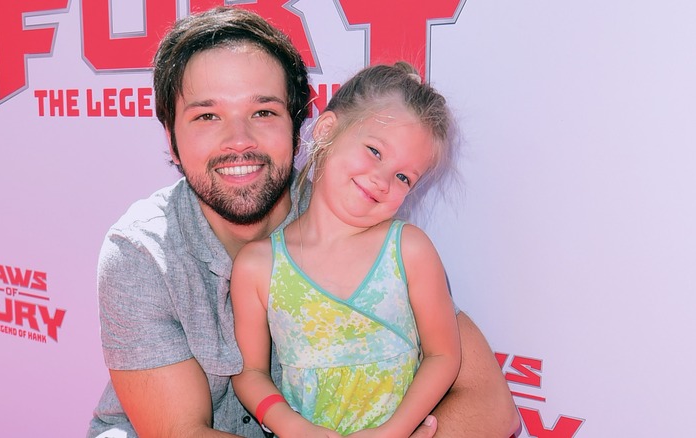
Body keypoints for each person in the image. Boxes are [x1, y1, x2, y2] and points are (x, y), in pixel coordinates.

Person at [87, 6, 519, 438]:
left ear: (301, 127)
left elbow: (491, 407)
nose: (239, 140)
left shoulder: (353, 212)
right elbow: (181, 433)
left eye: (264, 112)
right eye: (207, 116)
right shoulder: (141, 252)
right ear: (171, 138)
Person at [230, 61, 461, 438]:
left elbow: (444, 355)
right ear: (327, 129)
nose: (382, 180)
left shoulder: (408, 251)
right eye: (374, 151)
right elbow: (250, 373)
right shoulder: (258, 266)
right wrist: (293, 428)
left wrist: (393, 432)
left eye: (404, 176)